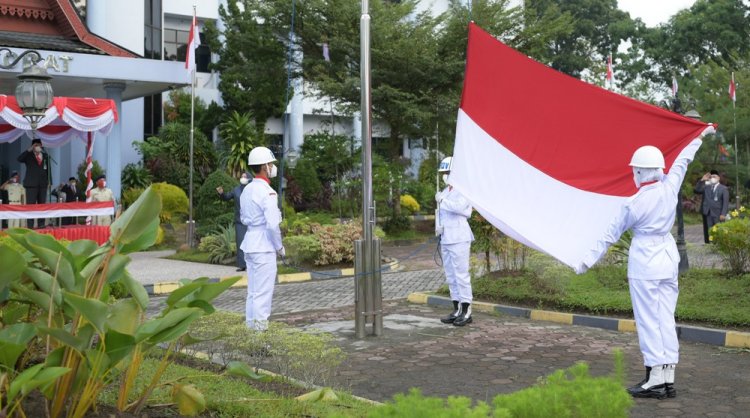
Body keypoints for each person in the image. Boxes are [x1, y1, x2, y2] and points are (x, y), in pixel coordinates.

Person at [578, 141, 703, 400]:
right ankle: (667, 377)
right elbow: (682, 161)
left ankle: (655, 380)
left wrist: (585, 261)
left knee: (649, 321)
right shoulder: (670, 187)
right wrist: (698, 137)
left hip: (646, 262)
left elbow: (609, 235)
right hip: (668, 260)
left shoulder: (634, 203)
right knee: (665, 318)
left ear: (640, 172)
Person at [239, 147, 285, 331]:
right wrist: (280, 248)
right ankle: (260, 339)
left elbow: (243, 218)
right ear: (265, 166)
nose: (273, 167)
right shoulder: (268, 192)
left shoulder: (246, 190)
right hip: (263, 245)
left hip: (250, 242)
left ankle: (251, 334)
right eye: (271, 164)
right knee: (263, 296)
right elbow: (273, 225)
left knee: (253, 293)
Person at [435, 156, 475, 327]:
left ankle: (466, 310)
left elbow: (460, 208)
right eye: (444, 172)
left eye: (447, 172)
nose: (445, 175)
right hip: (446, 238)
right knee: (451, 276)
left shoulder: (464, 190)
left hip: (459, 238)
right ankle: (457, 308)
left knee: (461, 275)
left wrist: (443, 201)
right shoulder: (445, 191)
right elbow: (443, 212)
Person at [217, 172, 252, 271]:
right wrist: (221, 193)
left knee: (252, 243)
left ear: (249, 178)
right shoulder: (236, 190)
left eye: (245, 177)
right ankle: (242, 265)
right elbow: (226, 197)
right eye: (242, 176)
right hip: (239, 222)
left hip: (251, 221)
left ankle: (252, 264)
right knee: (240, 243)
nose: (242, 178)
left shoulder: (252, 189)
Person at [17, 138, 50, 228]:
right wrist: (29, 150)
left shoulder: (45, 156)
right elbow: (19, 159)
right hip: (31, 184)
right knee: (31, 205)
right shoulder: (28, 155)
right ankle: (30, 225)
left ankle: (41, 224)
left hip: (43, 184)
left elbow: (48, 170)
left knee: (42, 205)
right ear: (32, 146)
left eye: (39, 145)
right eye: (36, 145)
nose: (38, 147)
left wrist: (49, 181)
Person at [694, 169, 729, 240]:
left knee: (718, 229)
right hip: (707, 212)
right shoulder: (706, 187)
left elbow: (725, 202)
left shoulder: (723, 188)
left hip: (718, 213)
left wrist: (723, 214)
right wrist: (702, 180)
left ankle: (718, 243)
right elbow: (697, 190)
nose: (713, 178)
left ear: (718, 178)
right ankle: (710, 244)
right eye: (711, 177)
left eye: (714, 176)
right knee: (709, 230)